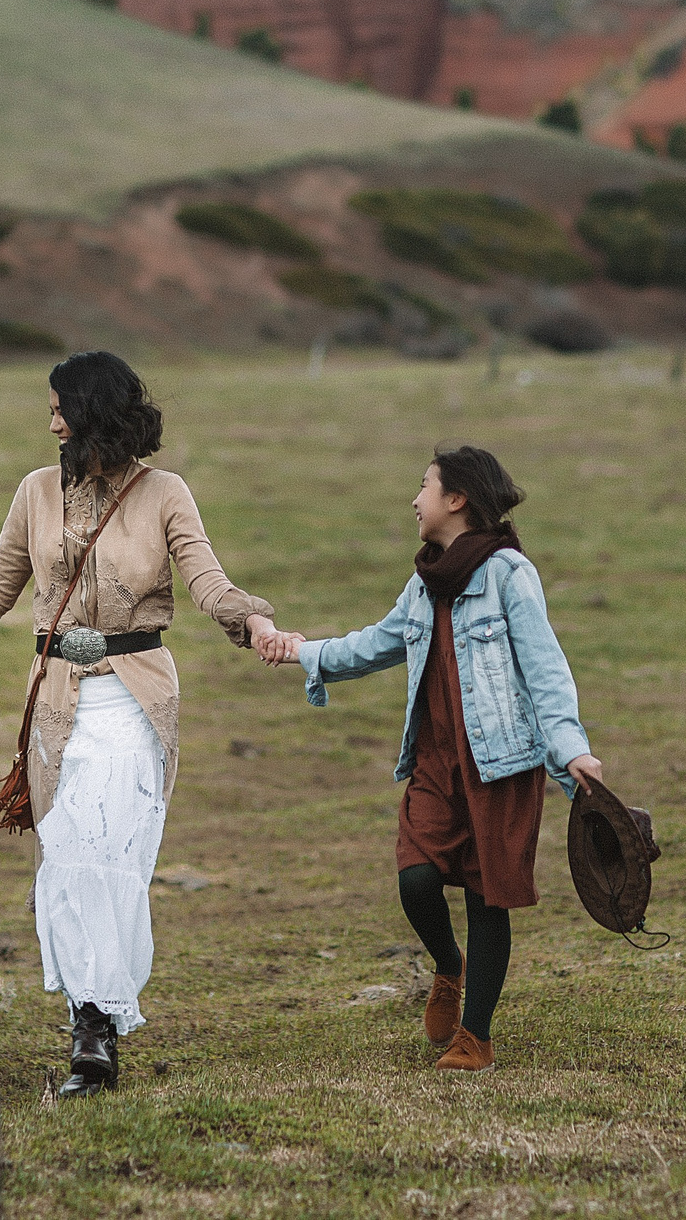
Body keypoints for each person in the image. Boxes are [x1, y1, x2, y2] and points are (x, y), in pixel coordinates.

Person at [0, 351, 276, 1097]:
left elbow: (207, 580)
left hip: (134, 691)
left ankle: (94, 1030)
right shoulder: (34, 492)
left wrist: (251, 620)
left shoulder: (165, 493)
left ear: (93, 412)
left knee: (107, 851)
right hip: (56, 696)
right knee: (65, 855)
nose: (51, 420)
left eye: (61, 407)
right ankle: (94, 1016)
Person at [255, 445, 602, 1073]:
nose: (414, 500)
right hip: (437, 764)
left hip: (500, 765)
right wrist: (304, 653)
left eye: (424, 486)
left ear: (457, 499)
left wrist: (571, 749)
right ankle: (449, 965)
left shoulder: (508, 576)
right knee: (416, 879)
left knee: (485, 897)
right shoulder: (424, 581)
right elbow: (378, 644)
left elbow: (546, 669)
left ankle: (476, 1037)